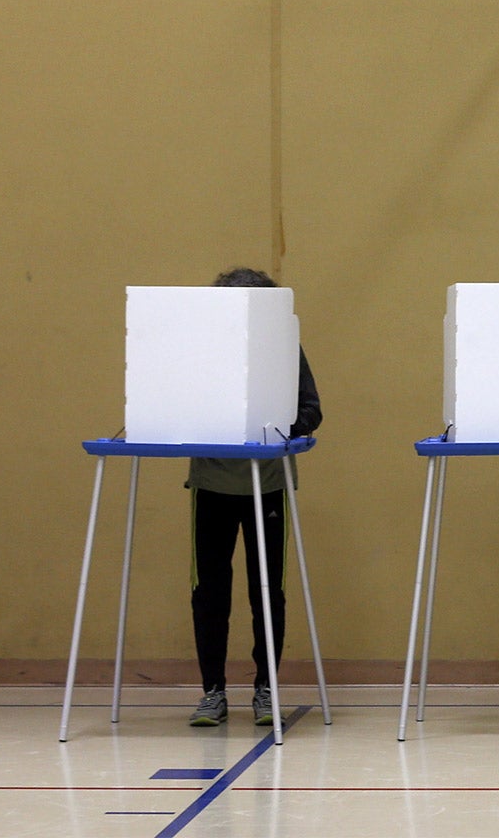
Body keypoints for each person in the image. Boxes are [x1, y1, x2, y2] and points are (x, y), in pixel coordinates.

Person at [187, 268, 322, 729]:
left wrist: (281, 429)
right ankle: (213, 692)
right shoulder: (201, 352)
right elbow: (180, 405)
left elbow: (311, 410)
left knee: (268, 593)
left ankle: (266, 689)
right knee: (209, 594)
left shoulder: (284, 349)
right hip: (211, 484)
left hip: (267, 484)